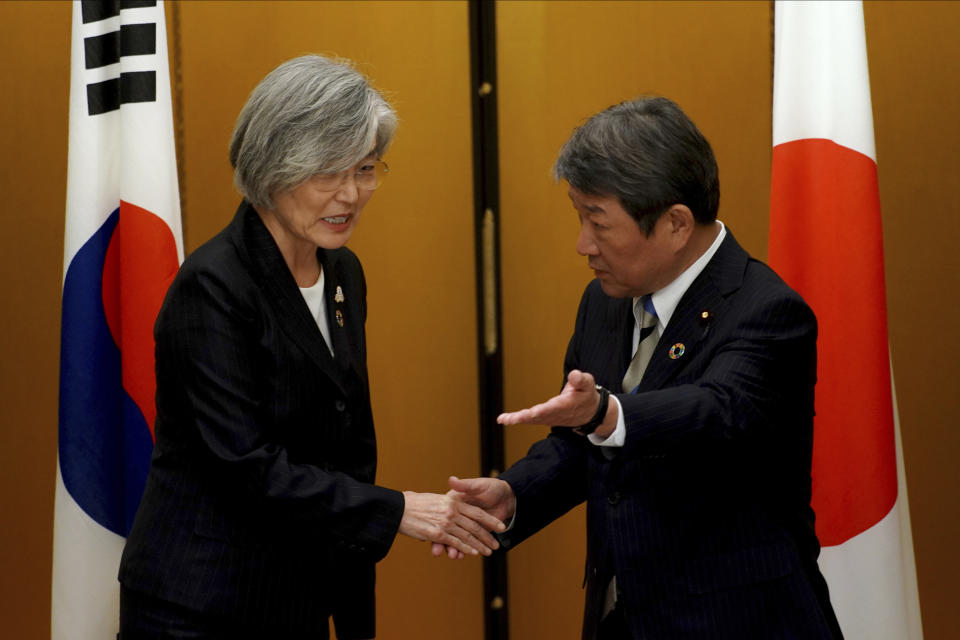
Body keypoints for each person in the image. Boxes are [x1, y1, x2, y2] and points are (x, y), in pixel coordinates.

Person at [118, 54, 504, 639]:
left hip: (300, 593)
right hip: (203, 604)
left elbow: (347, 441)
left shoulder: (343, 272)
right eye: (329, 172)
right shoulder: (214, 285)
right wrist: (397, 510)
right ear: (273, 167)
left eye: (367, 169)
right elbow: (246, 467)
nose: (351, 194)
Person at [440, 97, 843, 639]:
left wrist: (607, 411)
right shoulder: (604, 301)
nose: (583, 245)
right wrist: (515, 494)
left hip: (738, 620)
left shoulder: (766, 310)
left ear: (675, 223)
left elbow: (717, 411)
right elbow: (584, 439)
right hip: (624, 618)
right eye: (579, 218)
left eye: (597, 223)